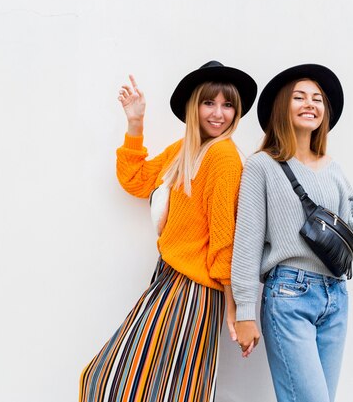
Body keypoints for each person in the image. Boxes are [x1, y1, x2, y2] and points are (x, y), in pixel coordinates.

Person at [79, 61, 257, 402]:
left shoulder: (223, 156)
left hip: (194, 291)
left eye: (228, 104)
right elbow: (136, 180)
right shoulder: (184, 151)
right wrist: (135, 123)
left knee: (138, 385)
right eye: (209, 103)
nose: (218, 113)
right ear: (194, 107)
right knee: (137, 385)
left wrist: (236, 308)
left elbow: (225, 240)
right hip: (168, 279)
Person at [231, 64, 353, 402]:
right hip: (289, 295)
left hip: (336, 297)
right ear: (282, 106)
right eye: (300, 97)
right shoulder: (262, 166)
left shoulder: (333, 169)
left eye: (318, 99)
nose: (311, 104)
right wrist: (244, 311)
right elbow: (246, 241)